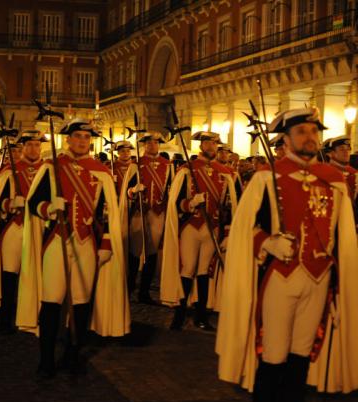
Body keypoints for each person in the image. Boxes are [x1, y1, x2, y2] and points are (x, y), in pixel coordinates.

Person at [216, 108, 358, 402]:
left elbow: (343, 236)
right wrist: (266, 241)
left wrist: (340, 285)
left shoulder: (334, 180)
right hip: (280, 278)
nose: (309, 137)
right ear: (287, 139)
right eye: (301, 132)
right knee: (274, 358)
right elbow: (243, 229)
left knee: (300, 360)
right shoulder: (268, 177)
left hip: (319, 280)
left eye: (313, 131)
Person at [17, 118, 130, 378]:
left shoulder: (100, 171)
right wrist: (49, 208)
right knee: (52, 301)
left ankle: (72, 354)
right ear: (67, 139)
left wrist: (106, 244)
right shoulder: (53, 166)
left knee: (81, 303)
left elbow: (107, 213)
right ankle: (45, 359)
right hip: (57, 239)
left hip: (86, 242)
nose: (81, 141)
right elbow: (34, 203)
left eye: (86, 137)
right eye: (77, 136)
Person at [161, 131, 237, 331]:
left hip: (213, 227)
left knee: (204, 271)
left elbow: (230, 207)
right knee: (188, 268)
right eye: (207, 143)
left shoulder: (226, 173)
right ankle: (179, 313)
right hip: (191, 226)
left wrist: (228, 233)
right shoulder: (188, 170)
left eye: (214, 143)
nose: (211, 146)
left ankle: (201, 316)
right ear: (201, 145)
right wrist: (191, 203)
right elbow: (176, 203)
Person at [0, 131, 45, 333]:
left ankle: (33, 314)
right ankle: (6, 319)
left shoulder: (48, 171)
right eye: (30, 145)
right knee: (9, 275)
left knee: (37, 274)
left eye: (37, 145)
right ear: (23, 147)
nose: (34, 149)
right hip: (14, 227)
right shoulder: (10, 171)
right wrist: (10, 204)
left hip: (38, 227)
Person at [120, 132, 173, 303]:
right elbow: (127, 191)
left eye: (156, 142)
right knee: (134, 253)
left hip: (158, 213)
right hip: (138, 212)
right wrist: (134, 191)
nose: (152, 145)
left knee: (151, 254)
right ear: (144, 145)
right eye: (149, 143)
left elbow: (171, 190)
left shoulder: (168, 165)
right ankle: (128, 288)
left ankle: (144, 292)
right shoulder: (136, 165)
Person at [324, 135, 357, 216]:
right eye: (342, 149)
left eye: (348, 149)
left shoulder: (354, 173)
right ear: (331, 154)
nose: (346, 152)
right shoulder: (325, 172)